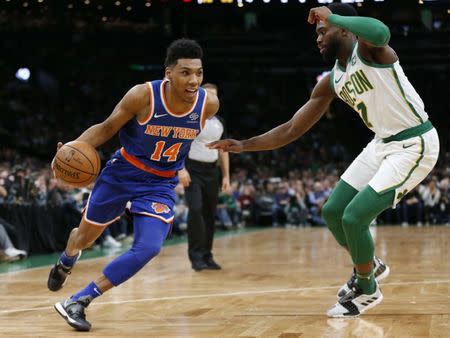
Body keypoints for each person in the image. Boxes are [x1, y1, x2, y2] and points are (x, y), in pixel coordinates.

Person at [208, 4, 439, 317]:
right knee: (332, 211)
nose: (317, 38)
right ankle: (370, 265)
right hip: (381, 144)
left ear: (343, 29)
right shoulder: (332, 80)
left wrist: (333, 15)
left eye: (322, 31)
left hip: (414, 142)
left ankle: (367, 288)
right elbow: (293, 128)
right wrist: (245, 146)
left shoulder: (371, 52)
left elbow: (381, 31)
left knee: (355, 217)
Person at [47, 38, 219, 331]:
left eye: (199, 73)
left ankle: (79, 299)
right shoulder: (143, 95)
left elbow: (182, 141)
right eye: (185, 73)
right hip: (122, 173)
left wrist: (181, 168)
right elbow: (106, 128)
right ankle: (67, 259)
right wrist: (70, 150)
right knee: (85, 237)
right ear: (168, 73)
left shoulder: (209, 104)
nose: (194, 80)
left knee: (149, 247)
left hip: (160, 183)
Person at [178, 83, 230, 271]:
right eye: (207, 95)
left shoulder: (220, 122)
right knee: (196, 210)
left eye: (214, 96)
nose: (211, 99)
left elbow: (223, 149)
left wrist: (226, 177)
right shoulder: (191, 117)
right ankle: (195, 256)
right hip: (192, 170)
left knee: (209, 214)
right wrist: (180, 169)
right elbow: (179, 144)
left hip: (211, 172)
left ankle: (207, 255)